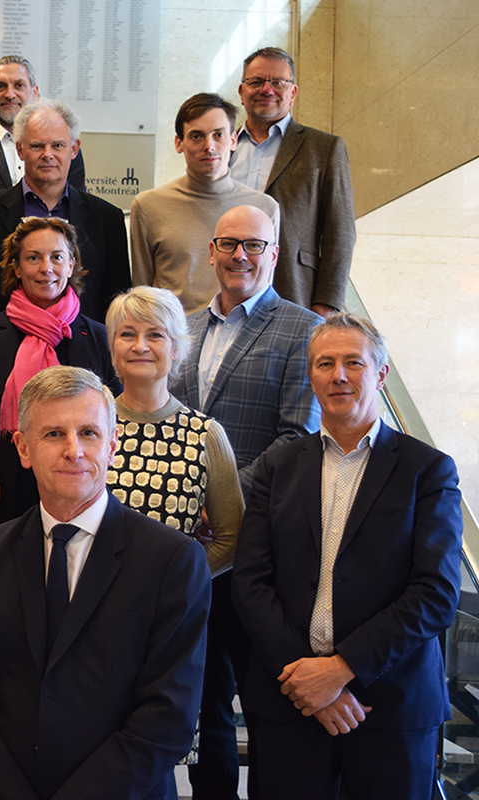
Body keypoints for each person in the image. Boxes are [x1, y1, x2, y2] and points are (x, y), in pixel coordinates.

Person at [0, 366, 211, 799]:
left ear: (112, 447)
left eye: (88, 433)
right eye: (53, 434)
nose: (73, 451)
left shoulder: (173, 560)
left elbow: (168, 715)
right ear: (23, 448)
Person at [233, 313, 461, 799]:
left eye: (353, 362)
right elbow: (251, 582)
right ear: (310, 376)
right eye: (325, 363)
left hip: (390, 708)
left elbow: (437, 593)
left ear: (379, 374)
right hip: (288, 704)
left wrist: (341, 670)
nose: (338, 375)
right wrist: (308, 682)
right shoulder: (278, 465)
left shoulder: (428, 471)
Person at [171, 204, 322, 799]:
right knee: (201, 696)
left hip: (256, 551)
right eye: (229, 244)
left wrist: (221, 499)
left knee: (254, 695)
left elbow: (296, 437)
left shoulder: (303, 328)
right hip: (186, 547)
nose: (241, 256)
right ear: (211, 251)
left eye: (254, 245)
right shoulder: (182, 325)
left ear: (275, 254)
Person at [0, 216, 119, 527]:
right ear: (17, 267)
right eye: (33, 258)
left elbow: (113, 419)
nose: (46, 268)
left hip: (78, 490)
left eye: (57, 257)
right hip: (3, 495)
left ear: (72, 264)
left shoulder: (100, 337)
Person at [105, 285, 242, 577]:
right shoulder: (90, 427)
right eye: (127, 334)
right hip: (93, 604)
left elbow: (231, 539)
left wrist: (178, 583)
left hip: (173, 613)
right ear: (113, 348)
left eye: (155, 334)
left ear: (176, 349)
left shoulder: (205, 434)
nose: (140, 346)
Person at [0, 99, 129, 321]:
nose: (47, 154)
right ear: (20, 150)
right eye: (37, 146)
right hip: (1, 347)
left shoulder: (107, 219)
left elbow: (115, 301)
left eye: (58, 145)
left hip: (81, 348)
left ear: (74, 149)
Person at [231, 47, 357, 316]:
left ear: (293, 92)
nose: (267, 90)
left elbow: (340, 232)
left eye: (278, 82)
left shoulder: (324, 148)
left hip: (295, 290)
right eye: (256, 82)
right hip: (226, 289)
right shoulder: (222, 146)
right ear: (242, 92)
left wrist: (328, 303)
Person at [130, 93, 280, 313]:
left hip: (245, 338)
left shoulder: (264, 209)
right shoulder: (148, 206)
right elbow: (142, 295)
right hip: (176, 340)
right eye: (197, 136)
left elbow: (264, 291)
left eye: (218, 135)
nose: (209, 146)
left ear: (233, 140)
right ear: (179, 143)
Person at [0, 55, 85, 200]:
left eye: (19, 85)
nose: (9, 94)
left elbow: (77, 204)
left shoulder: (64, 146)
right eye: (0, 86)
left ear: (35, 93)